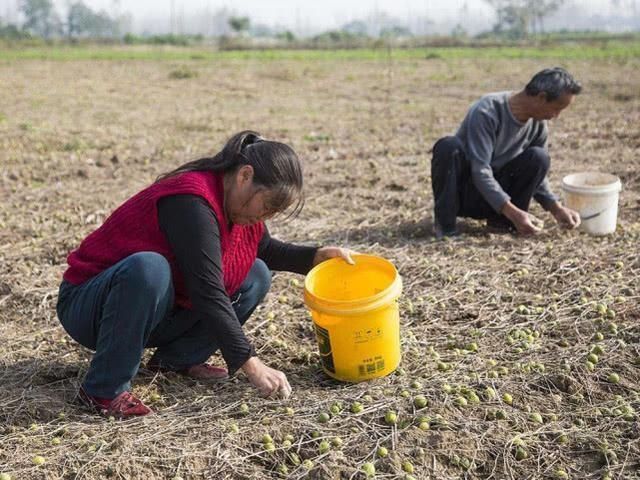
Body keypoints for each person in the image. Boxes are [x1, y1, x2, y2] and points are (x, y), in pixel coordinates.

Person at [56, 130, 354, 418]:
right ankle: (103, 390)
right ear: (245, 175)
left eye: (270, 215)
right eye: (264, 207)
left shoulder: (238, 207)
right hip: (92, 305)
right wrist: (250, 363)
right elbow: (206, 290)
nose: (261, 219)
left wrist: (316, 257)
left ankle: (177, 361)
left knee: (256, 274)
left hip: (152, 309)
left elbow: (266, 250)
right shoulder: (191, 201)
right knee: (150, 269)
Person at [430, 67, 583, 238]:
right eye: (557, 108)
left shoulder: (538, 125)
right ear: (541, 97)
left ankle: (502, 222)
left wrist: (556, 208)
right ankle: (446, 226)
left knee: (539, 157)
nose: (556, 116)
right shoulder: (487, 111)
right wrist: (513, 211)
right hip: (467, 195)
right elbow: (480, 170)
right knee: (448, 146)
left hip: (497, 200)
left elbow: (539, 176)